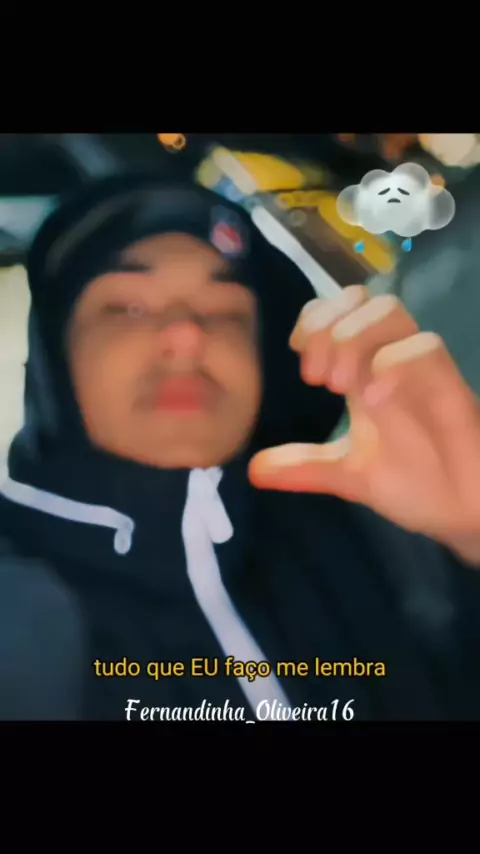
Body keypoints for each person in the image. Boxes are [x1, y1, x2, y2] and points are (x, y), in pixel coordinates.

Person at [0, 173, 479, 722]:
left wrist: (472, 535)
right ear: (52, 359)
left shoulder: (363, 537)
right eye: (128, 308)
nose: (188, 335)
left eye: (227, 313)